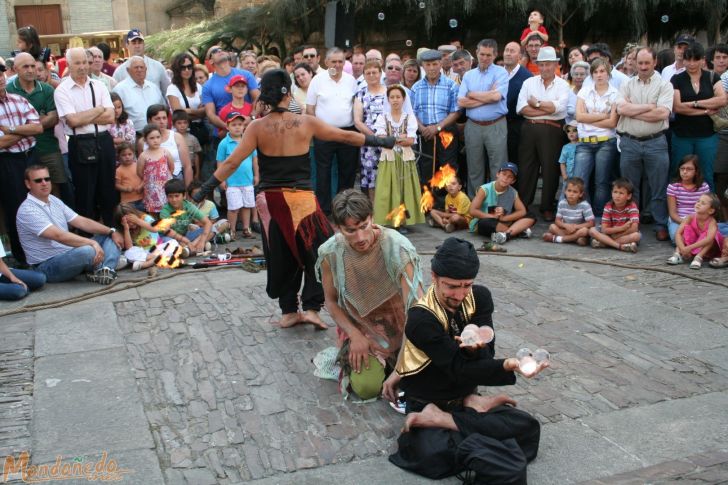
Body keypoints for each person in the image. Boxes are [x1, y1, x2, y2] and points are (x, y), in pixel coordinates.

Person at [193, 69, 395, 328]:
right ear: (287, 93)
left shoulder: (256, 126)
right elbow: (345, 136)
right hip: (300, 201)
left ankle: (289, 311)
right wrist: (383, 140)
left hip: (270, 203)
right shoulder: (305, 122)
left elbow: (232, 162)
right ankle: (311, 308)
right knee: (320, 252)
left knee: (281, 255)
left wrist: (202, 190)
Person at [387, 237, 544, 483]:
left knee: (527, 426)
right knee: (434, 452)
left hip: (464, 397)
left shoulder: (479, 298)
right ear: (434, 277)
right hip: (429, 398)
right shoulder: (421, 319)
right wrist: (510, 364)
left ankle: (451, 418)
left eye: (466, 285)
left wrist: (475, 350)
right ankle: (440, 417)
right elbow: (458, 369)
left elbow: (486, 354)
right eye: (451, 286)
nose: (459, 294)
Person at [315, 189, 423, 400]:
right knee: (366, 388)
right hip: (362, 328)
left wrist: (402, 366)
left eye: (364, 226)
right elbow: (331, 301)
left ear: (372, 218)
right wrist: (354, 335)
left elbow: (415, 309)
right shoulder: (330, 252)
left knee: (424, 381)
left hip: (405, 327)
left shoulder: (398, 248)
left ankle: (395, 367)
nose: (360, 237)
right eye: (350, 230)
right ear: (337, 228)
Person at [16, 164, 122, 284]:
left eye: (47, 179)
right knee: (88, 250)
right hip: (46, 266)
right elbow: (58, 236)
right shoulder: (27, 210)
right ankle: (107, 262)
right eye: (38, 180)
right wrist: (92, 243)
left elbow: (81, 221)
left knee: (111, 235)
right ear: (28, 184)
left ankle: (105, 270)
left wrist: (111, 231)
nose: (44, 183)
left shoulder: (53, 200)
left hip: (68, 254)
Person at [54, 47, 117, 226]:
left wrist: (84, 116)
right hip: (80, 144)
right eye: (77, 63)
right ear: (69, 65)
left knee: (108, 192)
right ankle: (88, 239)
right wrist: (98, 110)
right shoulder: (62, 90)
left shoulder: (99, 85)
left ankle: (112, 233)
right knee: (85, 195)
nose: (82, 67)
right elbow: (72, 120)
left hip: (104, 140)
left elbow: (111, 117)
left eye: (85, 62)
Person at [617, 47, 674, 242]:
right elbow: (620, 108)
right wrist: (648, 107)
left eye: (646, 63)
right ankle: (631, 224)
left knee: (658, 186)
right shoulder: (627, 84)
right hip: (630, 141)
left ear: (654, 62)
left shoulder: (664, 85)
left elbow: (662, 114)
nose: (642, 67)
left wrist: (633, 110)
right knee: (629, 187)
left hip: (655, 141)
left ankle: (660, 224)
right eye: (639, 63)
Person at [6, 53, 72, 207]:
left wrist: (24, 126)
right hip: (22, 152)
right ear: (16, 69)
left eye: (32, 66)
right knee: (26, 190)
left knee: (56, 185)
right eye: (25, 67)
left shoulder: (47, 89)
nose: (30, 70)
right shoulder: (9, 91)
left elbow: (54, 119)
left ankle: (58, 221)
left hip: (49, 146)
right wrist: (38, 121)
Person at [516, 46, 570, 222]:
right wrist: (547, 109)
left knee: (550, 169)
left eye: (548, 64)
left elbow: (560, 109)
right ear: (537, 65)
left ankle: (546, 206)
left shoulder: (563, 85)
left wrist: (537, 104)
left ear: (555, 64)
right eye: (541, 64)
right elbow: (522, 109)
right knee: (527, 168)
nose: (545, 68)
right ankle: (523, 205)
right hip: (530, 128)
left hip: (553, 130)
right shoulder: (528, 83)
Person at [306, 47, 360, 214]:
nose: (337, 65)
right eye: (334, 61)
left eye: (340, 61)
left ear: (345, 63)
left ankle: (345, 209)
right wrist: (318, 128)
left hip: (348, 132)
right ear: (326, 62)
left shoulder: (351, 80)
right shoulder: (317, 80)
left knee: (348, 171)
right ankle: (324, 210)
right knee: (323, 172)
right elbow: (310, 108)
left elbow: (356, 106)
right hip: (324, 132)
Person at [1, 58, 43, 265]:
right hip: (8, 162)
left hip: (31, 156)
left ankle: (42, 249)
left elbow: (37, 128)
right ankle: (23, 257)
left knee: (41, 201)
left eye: (1, 74)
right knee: (16, 207)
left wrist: (10, 131)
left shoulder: (19, 100)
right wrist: (22, 131)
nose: (0, 79)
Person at [670, 42, 727, 191]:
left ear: (702, 60)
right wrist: (705, 110)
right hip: (682, 135)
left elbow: (722, 99)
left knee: (706, 174)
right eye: (688, 59)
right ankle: (678, 210)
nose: (691, 63)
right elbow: (678, 107)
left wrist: (695, 103)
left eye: (696, 59)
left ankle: (708, 210)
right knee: (680, 173)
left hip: (707, 135)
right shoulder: (677, 79)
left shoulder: (712, 77)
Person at [458, 39, 509, 197]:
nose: (485, 58)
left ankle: (497, 204)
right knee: (474, 168)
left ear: (495, 55)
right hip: (473, 126)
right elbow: (461, 101)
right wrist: (488, 95)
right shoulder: (468, 75)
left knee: (498, 167)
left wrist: (472, 94)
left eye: (488, 55)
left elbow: (496, 97)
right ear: (476, 53)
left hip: (496, 125)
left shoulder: (501, 72)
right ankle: (476, 203)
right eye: (482, 54)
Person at [372, 85, 424, 232]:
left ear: (403, 99)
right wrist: (400, 138)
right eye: (392, 97)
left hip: (405, 159)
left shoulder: (409, 117)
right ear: (388, 100)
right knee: (388, 189)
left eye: (398, 97)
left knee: (403, 189)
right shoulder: (383, 117)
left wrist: (392, 139)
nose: (395, 100)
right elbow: (380, 138)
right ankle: (388, 220)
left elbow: (411, 140)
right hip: (389, 158)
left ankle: (402, 221)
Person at [574, 58, 619, 216]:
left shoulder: (615, 93)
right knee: (580, 181)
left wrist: (590, 119)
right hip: (585, 142)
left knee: (602, 182)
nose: (599, 75)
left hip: (606, 142)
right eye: (595, 72)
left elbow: (613, 122)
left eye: (602, 71)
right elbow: (579, 117)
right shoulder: (584, 91)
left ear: (608, 73)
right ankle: (580, 215)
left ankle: (600, 216)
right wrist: (602, 116)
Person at [411, 50, 461, 186]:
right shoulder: (416, 88)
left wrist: (438, 127)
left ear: (440, 64)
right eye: (428, 64)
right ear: (423, 66)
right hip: (425, 133)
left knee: (447, 168)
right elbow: (412, 113)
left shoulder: (451, 85)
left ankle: (447, 202)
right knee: (427, 168)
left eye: (434, 64)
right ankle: (429, 204)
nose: (431, 68)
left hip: (446, 132)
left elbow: (456, 112)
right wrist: (422, 128)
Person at [468, 162, 535, 244]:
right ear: (497, 174)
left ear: (513, 181)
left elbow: (522, 211)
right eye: (504, 174)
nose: (505, 178)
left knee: (530, 215)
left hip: (504, 222)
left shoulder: (513, 192)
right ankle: (516, 232)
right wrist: (492, 216)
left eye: (510, 177)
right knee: (484, 223)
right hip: (488, 221)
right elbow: (472, 210)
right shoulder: (485, 189)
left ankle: (506, 235)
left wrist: (504, 218)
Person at [218, 111, 258, 239]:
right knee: (233, 208)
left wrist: (256, 175)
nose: (237, 127)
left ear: (244, 126)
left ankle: (246, 228)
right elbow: (220, 163)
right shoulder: (224, 143)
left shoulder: (249, 141)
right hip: (232, 182)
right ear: (227, 126)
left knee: (247, 206)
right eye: (234, 124)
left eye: (240, 124)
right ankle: (232, 230)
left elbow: (254, 160)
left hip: (247, 180)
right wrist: (221, 179)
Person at [353, 60, 386, 200]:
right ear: (364, 76)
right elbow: (357, 121)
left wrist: (386, 137)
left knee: (388, 175)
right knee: (371, 177)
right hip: (369, 143)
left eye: (375, 72)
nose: (372, 75)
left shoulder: (390, 91)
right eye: (368, 73)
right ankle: (374, 211)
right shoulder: (360, 94)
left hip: (388, 141)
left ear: (380, 73)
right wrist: (374, 136)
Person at [138, 105, 193, 187]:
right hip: (153, 184)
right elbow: (141, 168)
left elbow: (187, 166)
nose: (162, 121)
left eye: (164, 118)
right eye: (157, 118)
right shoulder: (142, 142)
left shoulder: (176, 137)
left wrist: (188, 191)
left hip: (175, 180)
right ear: (149, 120)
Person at [667, 193, 724, 269]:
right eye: (698, 201)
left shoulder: (712, 222)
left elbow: (709, 239)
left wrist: (689, 248)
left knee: (711, 236)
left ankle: (699, 257)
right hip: (695, 244)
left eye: (703, 203)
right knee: (685, 229)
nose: (698, 204)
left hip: (709, 249)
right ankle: (677, 254)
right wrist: (683, 248)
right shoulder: (690, 217)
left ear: (711, 211)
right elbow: (678, 233)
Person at [112, 56, 166, 133]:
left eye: (141, 67)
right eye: (136, 67)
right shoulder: (120, 90)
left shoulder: (154, 88)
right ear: (128, 70)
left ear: (146, 69)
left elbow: (163, 109)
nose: (139, 70)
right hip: (133, 136)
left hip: (157, 135)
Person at [159, 178, 213, 255]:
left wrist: (202, 240)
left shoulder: (188, 206)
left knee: (211, 229)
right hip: (169, 237)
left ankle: (190, 248)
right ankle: (191, 248)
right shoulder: (165, 211)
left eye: (177, 196)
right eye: (170, 196)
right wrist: (186, 241)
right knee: (171, 243)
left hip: (184, 236)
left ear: (184, 195)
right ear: (167, 197)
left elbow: (207, 223)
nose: (174, 199)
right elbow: (167, 231)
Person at [588, 178, 641, 252]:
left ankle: (605, 243)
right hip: (610, 233)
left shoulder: (632, 206)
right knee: (592, 230)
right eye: (615, 192)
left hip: (624, 234)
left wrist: (618, 235)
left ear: (628, 196)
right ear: (611, 193)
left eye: (621, 193)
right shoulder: (608, 206)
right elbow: (604, 229)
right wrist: (621, 228)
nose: (617, 195)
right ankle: (620, 246)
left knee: (636, 236)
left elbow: (634, 228)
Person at [666, 155, 711, 242]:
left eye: (689, 169)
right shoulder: (673, 187)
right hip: (678, 220)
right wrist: (686, 222)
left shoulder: (704, 187)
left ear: (696, 171)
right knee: (677, 238)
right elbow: (673, 213)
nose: (684, 172)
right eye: (682, 168)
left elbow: (706, 210)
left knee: (711, 236)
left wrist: (696, 223)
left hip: (699, 220)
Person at [167, 53, 207, 148]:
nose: (187, 70)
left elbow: (206, 111)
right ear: (177, 69)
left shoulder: (198, 86)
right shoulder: (172, 88)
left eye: (189, 67)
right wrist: (198, 112)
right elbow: (179, 115)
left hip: (200, 130)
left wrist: (189, 111)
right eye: (183, 67)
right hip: (182, 135)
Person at [112, 29, 170, 95]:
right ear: (127, 45)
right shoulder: (120, 71)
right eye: (134, 43)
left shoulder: (157, 66)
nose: (137, 46)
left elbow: (167, 91)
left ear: (144, 44)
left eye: (140, 42)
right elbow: (115, 95)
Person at [502, 41, 533, 165]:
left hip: (517, 126)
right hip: (496, 125)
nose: (508, 54)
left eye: (512, 51)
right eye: (506, 50)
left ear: (520, 56)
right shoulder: (496, 73)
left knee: (515, 161)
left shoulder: (527, 77)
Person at [543, 177, 595, 245]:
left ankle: (558, 239)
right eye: (569, 190)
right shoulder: (562, 203)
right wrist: (565, 225)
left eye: (575, 192)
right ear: (565, 191)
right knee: (552, 227)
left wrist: (575, 227)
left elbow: (591, 223)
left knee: (584, 231)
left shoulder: (585, 205)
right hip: (566, 229)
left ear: (581, 194)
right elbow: (557, 221)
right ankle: (574, 239)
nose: (571, 194)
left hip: (578, 230)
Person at [137, 123, 174, 214]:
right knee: (153, 212)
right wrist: (149, 180)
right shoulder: (143, 155)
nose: (155, 140)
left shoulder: (165, 152)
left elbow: (171, 167)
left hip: (166, 186)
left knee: (168, 211)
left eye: (158, 137)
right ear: (145, 140)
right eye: (152, 138)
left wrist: (165, 178)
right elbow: (139, 172)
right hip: (151, 188)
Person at [218, 75, 254, 139]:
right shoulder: (224, 110)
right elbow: (220, 135)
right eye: (237, 86)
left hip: (251, 144)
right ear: (230, 89)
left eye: (243, 86)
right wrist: (231, 127)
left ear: (246, 89)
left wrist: (251, 121)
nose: (240, 88)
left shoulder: (252, 108)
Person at [172, 110, 202, 180]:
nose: (182, 125)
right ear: (174, 124)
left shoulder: (193, 138)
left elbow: (196, 156)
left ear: (188, 124)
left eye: (185, 123)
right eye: (179, 123)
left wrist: (197, 172)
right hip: (177, 169)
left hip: (191, 167)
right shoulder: (172, 138)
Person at [115, 142, 145, 211]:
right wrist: (125, 189)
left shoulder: (138, 165)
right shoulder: (119, 170)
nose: (127, 157)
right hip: (128, 201)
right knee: (131, 218)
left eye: (129, 154)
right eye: (123, 155)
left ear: (134, 154)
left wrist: (141, 186)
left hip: (141, 198)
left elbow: (145, 178)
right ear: (119, 156)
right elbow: (117, 185)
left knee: (143, 217)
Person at [559, 121, 579, 196]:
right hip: (569, 176)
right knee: (566, 192)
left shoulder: (583, 145)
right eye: (568, 131)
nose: (571, 133)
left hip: (579, 175)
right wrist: (564, 174)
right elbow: (562, 162)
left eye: (574, 130)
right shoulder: (565, 147)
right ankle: (563, 206)